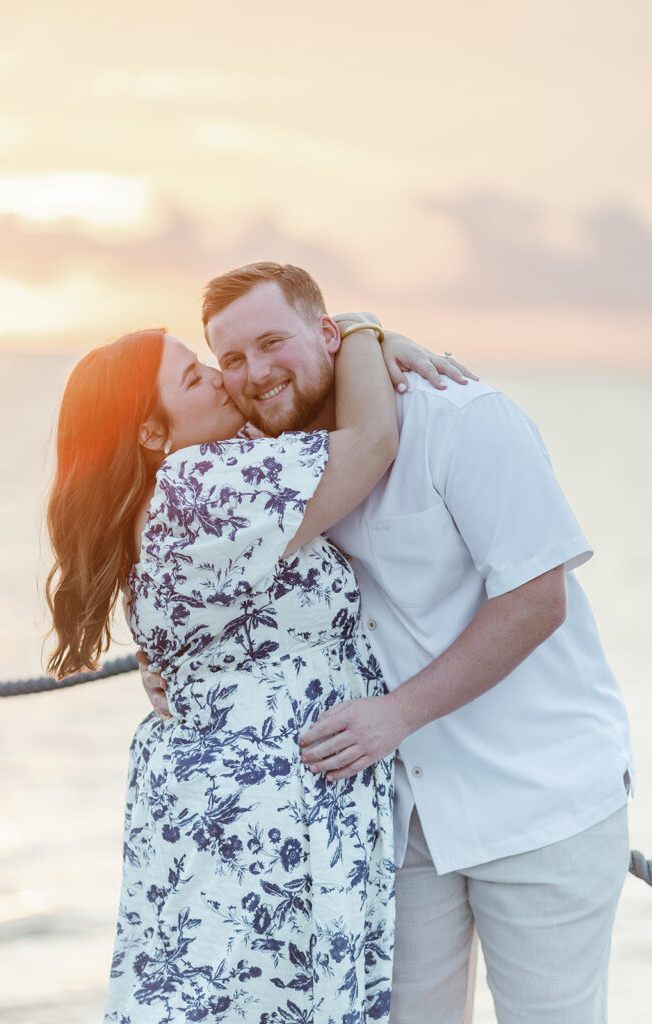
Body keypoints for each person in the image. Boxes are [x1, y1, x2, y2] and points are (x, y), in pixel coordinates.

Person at [144, 262, 633, 1024]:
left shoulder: (462, 419)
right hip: (394, 822)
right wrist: (169, 658)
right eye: (230, 360)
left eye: (273, 341)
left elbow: (536, 603)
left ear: (327, 333)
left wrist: (396, 714)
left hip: (538, 798)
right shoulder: (272, 464)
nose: (254, 374)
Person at [45, 320, 407, 1023]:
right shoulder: (198, 482)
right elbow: (369, 445)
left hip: (216, 800)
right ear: (151, 433)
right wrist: (359, 332)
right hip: (264, 809)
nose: (220, 377)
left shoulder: (172, 484)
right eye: (193, 379)